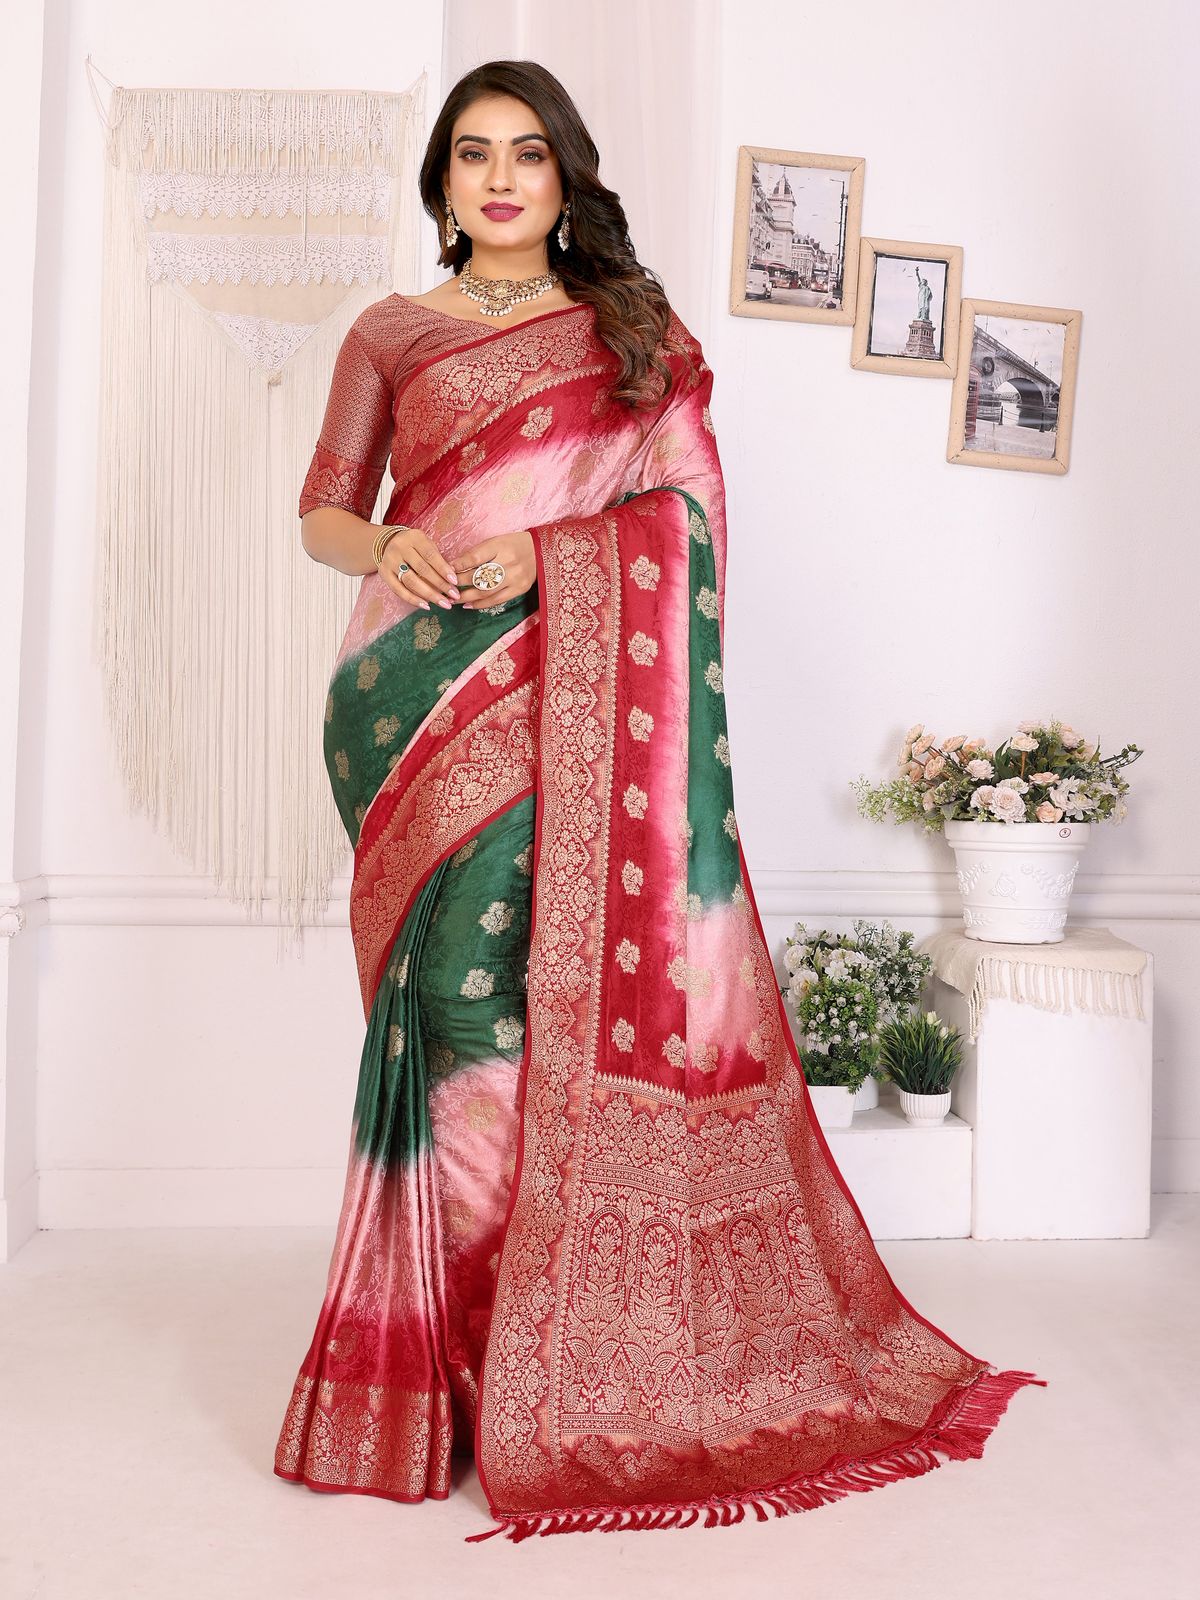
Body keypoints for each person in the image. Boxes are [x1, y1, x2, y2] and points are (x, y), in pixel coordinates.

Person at [273, 59, 1045, 1543]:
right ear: (440, 181)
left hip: (568, 695)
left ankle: (528, 1363)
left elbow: (687, 515)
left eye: (529, 156)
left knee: (506, 1010)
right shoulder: (386, 332)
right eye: (473, 156)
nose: (500, 181)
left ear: (567, 178)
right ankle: (430, 1370)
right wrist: (382, 554)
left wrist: (549, 555)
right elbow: (322, 508)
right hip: (404, 711)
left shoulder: (629, 330)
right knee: (437, 1011)